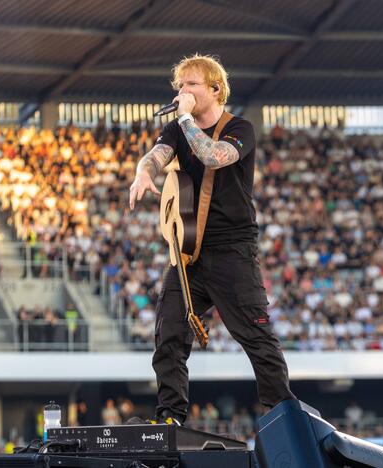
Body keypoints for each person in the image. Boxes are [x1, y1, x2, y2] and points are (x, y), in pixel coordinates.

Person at [128, 54, 295, 425]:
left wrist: (185, 117)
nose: (182, 92)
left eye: (191, 85)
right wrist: (143, 172)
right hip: (189, 253)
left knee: (255, 335)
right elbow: (156, 157)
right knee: (168, 332)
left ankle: (282, 413)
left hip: (233, 250)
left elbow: (213, 156)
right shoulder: (175, 130)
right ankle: (170, 416)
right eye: (179, 86)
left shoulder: (241, 128)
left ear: (215, 89)